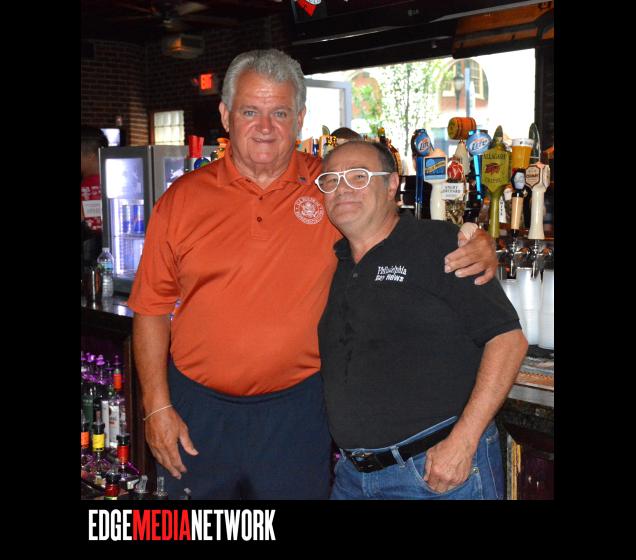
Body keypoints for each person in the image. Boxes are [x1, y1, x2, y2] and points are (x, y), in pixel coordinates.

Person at [127, 48, 498, 500]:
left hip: (298, 413)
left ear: (299, 119)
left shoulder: (331, 187)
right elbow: (150, 308)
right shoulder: (181, 200)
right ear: (225, 116)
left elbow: (395, 230)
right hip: (198, 410)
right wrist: (156, 406)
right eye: (250, 111)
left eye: (280, 113)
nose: (265, 127)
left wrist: (473, 240)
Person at [317, 140, 528, 499]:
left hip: (435, 474)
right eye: (331, 180)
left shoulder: (438, 243)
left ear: (391, 185)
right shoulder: (334, 262)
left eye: (359, 176)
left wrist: (463, 442)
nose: (343, 188)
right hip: (353, 478)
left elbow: (508, 340)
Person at [81, 126, 108, 272]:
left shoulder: (86, 185)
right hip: (110, 253)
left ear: (91, 156)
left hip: (87, 257)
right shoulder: (112, 181)